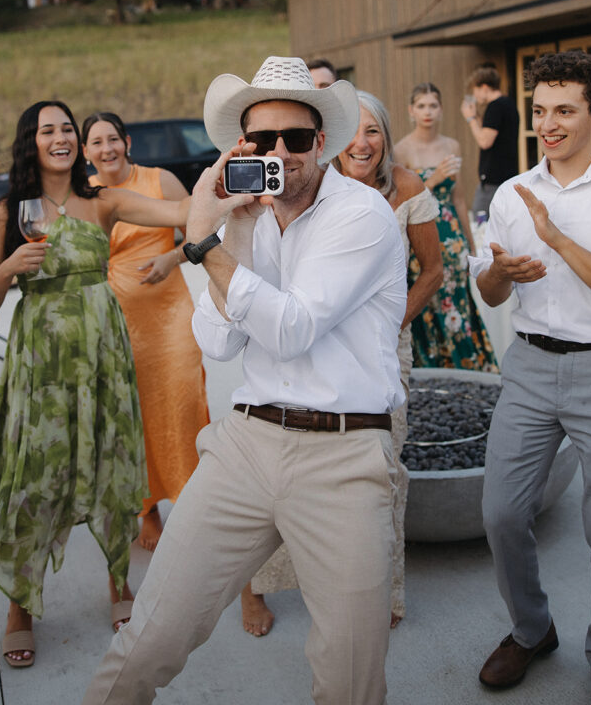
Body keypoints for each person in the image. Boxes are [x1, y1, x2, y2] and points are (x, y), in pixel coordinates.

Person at [82, 56, 407, 705]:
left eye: (294, 139)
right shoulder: (248, 221)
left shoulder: (362, 215)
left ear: (322, 143)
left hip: (343, 457)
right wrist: (234, 228)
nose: (278, 154)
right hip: (247, 444)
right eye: (262, 141)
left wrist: (203, 245)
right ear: (241, 147)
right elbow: (219, 338)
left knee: (349, 678)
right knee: (148, 638)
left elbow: (290, 329)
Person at [0, 101, 189, 670]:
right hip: (41, 361)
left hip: (102, 354)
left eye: (67, 129)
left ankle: (119, 581)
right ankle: (21, 604)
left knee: (112, 463)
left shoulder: (102, 202)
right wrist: (8, 267)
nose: (62, 138)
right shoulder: (5, 213)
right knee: (34, 479)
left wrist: (232, 166)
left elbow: (184, 209)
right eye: (48, 130)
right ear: (31, 142)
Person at [242, 90, 442, 634]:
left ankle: (382, 589)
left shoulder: (404, 189)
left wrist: (392, 322)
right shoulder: (299, 189)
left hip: (375, 347)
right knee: (277, 471)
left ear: (385, 136)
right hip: (295, 340)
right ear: (331, 140)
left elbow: (433, 270)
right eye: (353, 130)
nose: (363, 141)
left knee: (383, 471)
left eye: (373, 129)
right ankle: (258, 587)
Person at [470, 51, 591, 703]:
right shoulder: (512, 193)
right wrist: (500, 273)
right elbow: (488, 292)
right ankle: (530, 629)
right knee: (500, 512)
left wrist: (554, 237)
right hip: (527, 363)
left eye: (564, 111)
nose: (548, 125)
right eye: (540, 111)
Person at [82, 111, 210, 552]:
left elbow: (202, 233)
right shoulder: (85, 197)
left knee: (185, 407)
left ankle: (197, 504)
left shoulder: (161, 181)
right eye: (96, 143)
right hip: (117, 324)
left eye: (113, 139)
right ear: (85, 152)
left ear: (128, 142)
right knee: (132, 418)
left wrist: (171, 259)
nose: (106, 149)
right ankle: (147, 510)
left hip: (172, 317)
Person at [395, 82, 497, 371]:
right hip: (418, 236)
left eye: (433, 105)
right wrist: (434, 178)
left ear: (441, 110)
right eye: (422, 105)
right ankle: (431, 368)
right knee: (427, 304)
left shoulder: (452, 145)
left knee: (457, 301)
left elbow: (460, 197)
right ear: (411, 111)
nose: (428, 111)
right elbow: (401, 199)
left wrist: (471, 243)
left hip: (451, 237)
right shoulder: (401, 149)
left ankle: (466, 366)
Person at [460, 63, 519, 219]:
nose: (475, 95)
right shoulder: (507, 103)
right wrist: (477, 117)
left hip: (493, 179)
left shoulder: (495, 107)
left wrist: (470, 118)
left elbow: (485, 141)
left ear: (484, 87)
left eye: (475, 90)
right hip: (507, 174)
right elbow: (489, 132)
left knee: (481, 222)